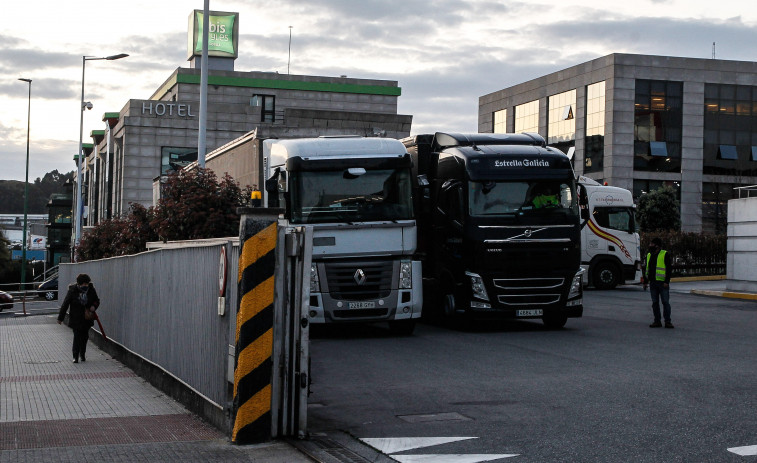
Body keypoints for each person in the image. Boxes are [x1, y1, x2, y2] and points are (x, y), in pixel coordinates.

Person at [57, 273, 100, 363]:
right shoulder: (72, 291)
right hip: (76, 317)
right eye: (83, 284)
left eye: (87, 284)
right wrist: (60, 318)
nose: (85, 286)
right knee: (76, 336)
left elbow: (97, 300)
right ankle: (75, 356)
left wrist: (93, 306)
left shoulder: (91, 290)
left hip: (87, 318)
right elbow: (65, 304)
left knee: (84, 336)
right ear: (79, 284)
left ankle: (82, 353)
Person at [643, 237, 673, 328]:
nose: (650, 246)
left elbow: (669, 269)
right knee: (655, 302)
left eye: (652, 244)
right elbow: (647, 269)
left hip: (662, 283)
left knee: (665, 302)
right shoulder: (649, 255)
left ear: (657, 246)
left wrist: (666, 281)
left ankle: (667, 321)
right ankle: (657, 321)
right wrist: (645, 282)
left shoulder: (664, 254)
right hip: (653, 283)